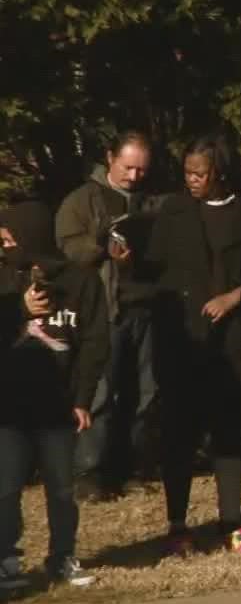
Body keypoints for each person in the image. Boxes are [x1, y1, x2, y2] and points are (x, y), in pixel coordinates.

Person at [143, 134, 241, 555]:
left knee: (230, 431)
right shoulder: (175, 211)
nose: (192, 180)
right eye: (187, 172)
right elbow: (157, 269)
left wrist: (235, 297)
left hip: (235, 340)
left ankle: (231, 521)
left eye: (200, 173)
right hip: (183, 342)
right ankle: (177, 524)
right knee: (180, 434)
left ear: (221, 173)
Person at [0, 202, 110, 591]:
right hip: (9, 408)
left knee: (62, 488)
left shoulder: (82, 283)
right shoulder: (5, 282)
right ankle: (7, 560)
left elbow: (95, 345)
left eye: (11, 239)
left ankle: (62, 555)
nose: (6, 246)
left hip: (58, 405)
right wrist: (19, 308)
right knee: (6, 487)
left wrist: (82, 398)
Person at [54, 130, 159, 502]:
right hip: (104, 311)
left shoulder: (151, 201)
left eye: (141, 170)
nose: (134, 176)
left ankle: (128, 469)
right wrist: (102, 247)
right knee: (100, 394)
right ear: (110, 158)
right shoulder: (83, 201)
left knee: (143, 394)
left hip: (144, 308)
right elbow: (67, 245)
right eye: (128, 167)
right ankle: (88, 471)